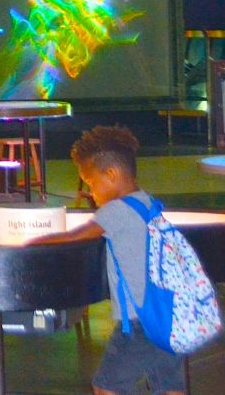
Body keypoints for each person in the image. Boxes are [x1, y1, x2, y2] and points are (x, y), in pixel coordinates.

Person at [34, 126, 183, 395]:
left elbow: (73, 238)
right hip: (167, 314)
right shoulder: (147, 201)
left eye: (91, 184)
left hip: (141, 322)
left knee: (105, 387)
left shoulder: (117, 209)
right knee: (168, 387)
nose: (91, 193)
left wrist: (31, 243)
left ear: (112, 174)